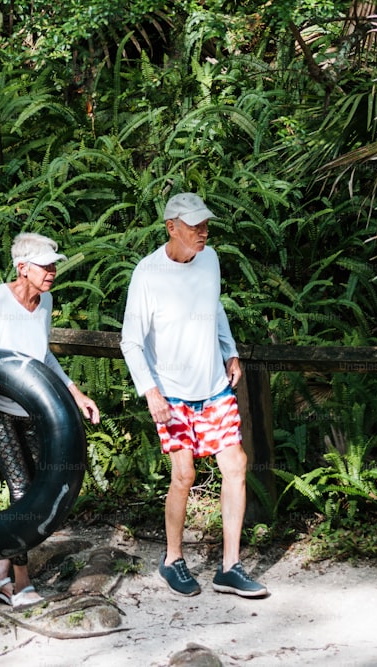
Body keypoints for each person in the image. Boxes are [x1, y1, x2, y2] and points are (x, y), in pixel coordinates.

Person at [0, 232, 100, 609]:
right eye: (45, 265)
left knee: (40, 490)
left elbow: (43, 358)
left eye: (55, 264)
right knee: (24, 494)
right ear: (22, 268)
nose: (53, 271)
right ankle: (22, 584)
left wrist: (77, 393)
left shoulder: (46, 301)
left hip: (32, 409)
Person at [120, 192, 268, 598]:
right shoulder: (147, 274)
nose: (203, 233)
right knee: (184, 475)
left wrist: (230, 348)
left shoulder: (211, 259)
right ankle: (172, 559)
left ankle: (230, 567)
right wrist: (150, 392)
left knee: (236, 464)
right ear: (171, 228)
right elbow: (130, 341)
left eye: (205, 226)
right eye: (194, 227)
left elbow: (214, 306)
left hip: (214, 385)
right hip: (171, 392)